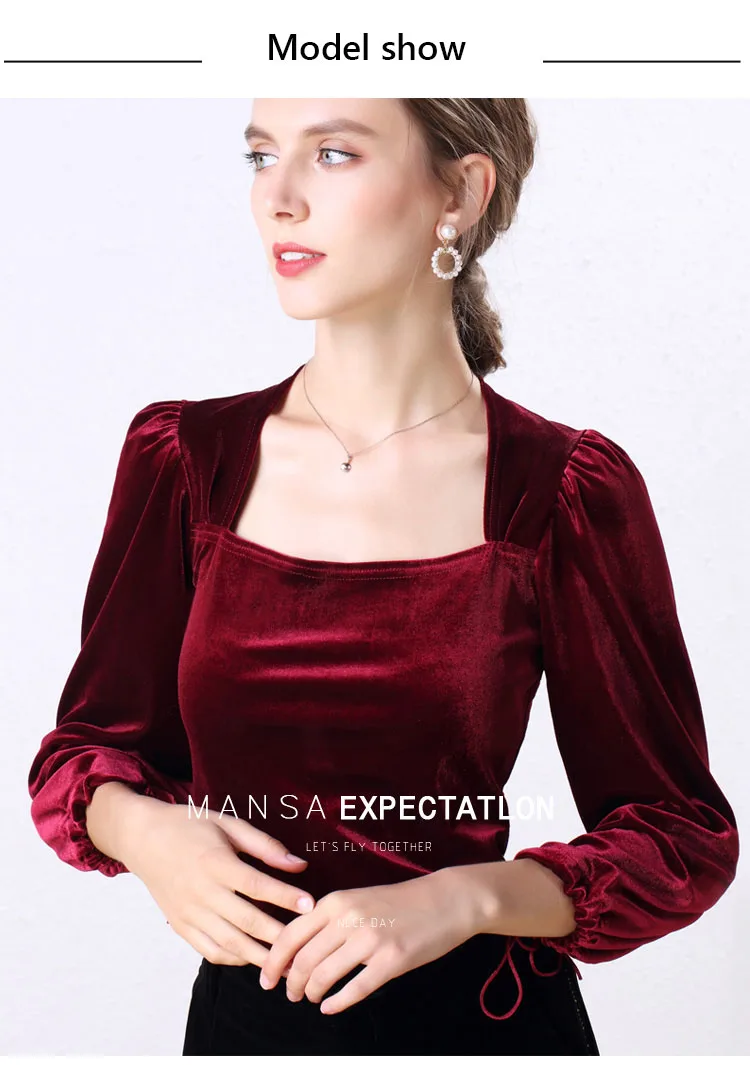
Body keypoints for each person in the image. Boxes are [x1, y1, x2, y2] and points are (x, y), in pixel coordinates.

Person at [27, 98, 739, 1056]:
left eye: (333, 153)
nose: (278, 197)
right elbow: (81, 754)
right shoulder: (186, 461)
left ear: (461, 192)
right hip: (245, 1031)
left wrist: (463, 898)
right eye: (261, 156)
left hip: (484, 1028)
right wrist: (147, 834)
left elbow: (678, 833)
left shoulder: (561, 491)